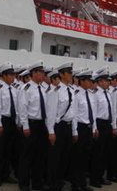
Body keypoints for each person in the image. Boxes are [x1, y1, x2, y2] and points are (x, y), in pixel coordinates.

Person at [17, 61, 48, 191]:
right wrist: (25, 126)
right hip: (31, 124)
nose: (42, 75)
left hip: (41, 124)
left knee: (39, 156)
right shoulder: (26, 88)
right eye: (40, 72)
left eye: (43, 73)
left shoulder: (44, 89)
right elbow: (22, 108)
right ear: (34, 73)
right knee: (27, 156)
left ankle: (37, 182)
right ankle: (23, 183)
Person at [46, 62, 75, 191]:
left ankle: (60, 181)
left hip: (68, 127)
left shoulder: (72, 91)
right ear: (62, 74)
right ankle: (52, 184)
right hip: (59, 127)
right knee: (55, 158)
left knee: (65, 157)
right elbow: (51, 113)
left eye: (71, 73)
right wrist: (51, 132)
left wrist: (74, 131)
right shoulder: (56, 91)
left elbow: (73, 113)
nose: (71, 75)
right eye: (68, 73)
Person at [70, 69, 98, 191]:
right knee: (78, 157)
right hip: (80, 128)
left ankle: (83, 183)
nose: (89, 83)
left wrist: (94, 128)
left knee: (86, 156)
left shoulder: (92, 95)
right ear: (81, 81)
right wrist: (74, 131)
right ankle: (76, 184)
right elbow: (74, 115)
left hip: (89, 128)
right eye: (87, 80)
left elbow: (94, 114)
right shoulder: (76, 95)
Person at [0, 62, 19, 186]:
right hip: (2, 121)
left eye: (13, 75)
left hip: (11, 121)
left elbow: (17, 108)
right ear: (4, 75)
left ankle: (6, 174)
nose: (13, 77)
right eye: (10, 75)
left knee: (8, 149)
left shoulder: (13, 89)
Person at [90, 67, 116, 188]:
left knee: (106, 152)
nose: (108, 83)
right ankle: (95, 179)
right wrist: (95, 128)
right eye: (105, 80)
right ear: (99, 81)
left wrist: (113, 126)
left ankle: (101, 176)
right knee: (98, 153)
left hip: (107, 124)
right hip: (99, 124)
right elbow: (93, 113)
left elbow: (112, 111)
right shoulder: (95, 94)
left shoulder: (108, 94)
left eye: (108, 80)